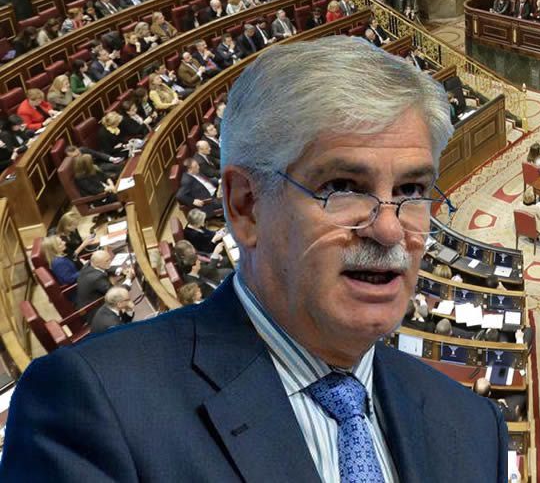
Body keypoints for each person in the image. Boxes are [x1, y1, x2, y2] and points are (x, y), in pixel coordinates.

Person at [0, 36, 511, 480]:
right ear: (245, 206)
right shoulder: (95, 409)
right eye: (342, 186)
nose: (390, 228)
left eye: (412, 190)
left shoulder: (472, 425)